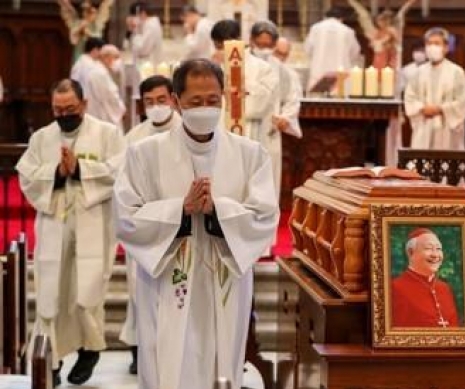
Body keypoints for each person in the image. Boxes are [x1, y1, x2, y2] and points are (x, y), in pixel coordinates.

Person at [113, 59, 279, 389]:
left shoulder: (250, 154)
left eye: (212, 101)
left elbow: (265, 217)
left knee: (221, 358)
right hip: (165, 280)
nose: (205, 108)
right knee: (166, 363)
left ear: (224, 99)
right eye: (195, 102)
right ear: (176, 102)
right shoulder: (143, 154)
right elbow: (126, 217)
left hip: (225, 278)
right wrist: (181, 211)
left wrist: (219, 210)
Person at [16, 79, 125, 387]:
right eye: (57, 110)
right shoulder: (42, 138)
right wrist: (56, 173)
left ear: (84, 105)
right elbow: (27, 177)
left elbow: (120, 169)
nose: (64, 115)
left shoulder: (107, 133)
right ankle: (49, 359)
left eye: (70, 109)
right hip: (55, 222)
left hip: (93, 220)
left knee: (87, 292)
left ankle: (90, 349)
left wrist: (80, 169)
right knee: (51, 293)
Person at [118, 75, 181, 375]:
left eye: (161, 100)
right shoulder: (134, 137)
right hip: (146, 225)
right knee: (139, 290)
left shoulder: (188, 131)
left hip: (181, 225)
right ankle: (140, 349)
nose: (155, 106)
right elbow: (124, 183)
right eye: (148, 102)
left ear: (173, 98)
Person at [249, 21, 302, 196]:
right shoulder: (237, 64)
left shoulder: (282, 70)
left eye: (268, 45)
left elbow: (292, 98)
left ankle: (267, 218)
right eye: (260, 44)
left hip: (268, 129)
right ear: (251, 41)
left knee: (268, 177)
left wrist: (285, 118)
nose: (264, 49)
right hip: (241, 127)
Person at [404, 27, 465, 150]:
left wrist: (440, 109)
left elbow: (464, 102)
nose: (432, 47)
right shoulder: (418, 73)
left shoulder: (457, 72)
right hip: (424, 127)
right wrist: (422, 108)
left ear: (445, 47)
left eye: (437, 43)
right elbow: (409, 98)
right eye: (429, 44)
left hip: (448, 130)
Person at [210, 19, 277, 140]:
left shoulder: (262, 67)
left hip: (249, 130)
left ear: (238, 40)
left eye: (226, 44)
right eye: (218, 46)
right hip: (218, 131)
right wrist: (213, 69)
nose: (223, 50)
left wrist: (240, 82)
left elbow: (264, 102)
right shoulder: (210, 66)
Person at [391, 228, 459, 328]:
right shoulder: (394, 288)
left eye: (438, 249)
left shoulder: (444, 288)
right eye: (428, 248)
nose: (435, 255)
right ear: (410, 252)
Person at [304, 7, 361, 91]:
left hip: (318, 73)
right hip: (341, 75)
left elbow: (308, 49)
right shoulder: (347, 31)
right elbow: (355, 52)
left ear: (325, 17)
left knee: (317, 101)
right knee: (339, 101)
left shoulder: (315, 28)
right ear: (341, 18)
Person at [85, 44, 126, 129]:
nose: (118, 61)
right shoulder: (99, 73)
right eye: (116, 57)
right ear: (106, 57)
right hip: (102, 116)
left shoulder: (100, 71)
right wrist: (122, 109)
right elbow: (110, 97)